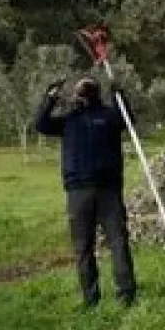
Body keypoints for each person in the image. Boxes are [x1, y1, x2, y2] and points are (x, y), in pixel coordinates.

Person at [35, 76, 136, 308]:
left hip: (97, 190)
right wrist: (50, 98)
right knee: (101, 245)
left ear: (82, 95)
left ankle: (112, 296)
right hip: (88, 190)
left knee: (103, 244)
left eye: (80, 91)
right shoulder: (73, 120)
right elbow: (41, 125)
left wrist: (119, 96)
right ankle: (105, 297)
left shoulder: (103, 117)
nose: (78, 95)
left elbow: (128, 120)